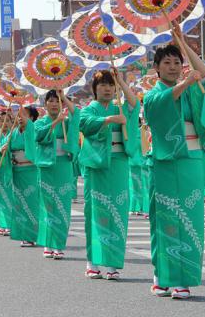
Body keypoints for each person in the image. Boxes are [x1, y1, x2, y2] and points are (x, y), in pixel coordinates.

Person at [143, 24, 205, 300]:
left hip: (191, 160)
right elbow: (159, 104)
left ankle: (183, 278)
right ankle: (163, 275)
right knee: (166, 218)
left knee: (190, 218)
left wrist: (184, 43)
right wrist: (185, 81)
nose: (173, 67)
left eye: (177, 62)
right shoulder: (153, 95)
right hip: (164, 162)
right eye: (167, 62)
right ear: (157, 68)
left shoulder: (190, 90)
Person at [79, 69, 140, 280]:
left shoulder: (120, 106)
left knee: (118, 210)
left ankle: (113, 264)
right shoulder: (91, 109)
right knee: (95, 211)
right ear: (95, 89)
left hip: (119, 162)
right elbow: (84, 124)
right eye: (103, 85)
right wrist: (109, 120)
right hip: (97, 165)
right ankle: (92, 261)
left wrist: (122, 82)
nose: (107, 88)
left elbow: (135, 104)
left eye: (110, 85)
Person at [25, 89, 79, 260]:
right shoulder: (40, 123)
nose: (54, 104)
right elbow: (38, 136)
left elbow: (77, 114)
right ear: (45, 104)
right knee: (48, 205)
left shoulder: (68, 121)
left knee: (63, 206)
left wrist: (64, 97)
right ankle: (48, 243)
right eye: (51, 101)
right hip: (46, 166)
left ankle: (59, 244)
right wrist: (55, 123)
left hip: (64, 165)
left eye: (58, 101)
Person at [8, 106, 40, 247]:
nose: (20, 118)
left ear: (32, 118)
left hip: (30, 171)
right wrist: (2, 147)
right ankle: (22, 233)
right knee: (19, 203)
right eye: (19, 115)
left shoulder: (33, 130)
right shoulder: (13, 132)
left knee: (31, 204)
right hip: (17, 171)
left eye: (24, 115)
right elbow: (6, 147)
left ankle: (31, 235)